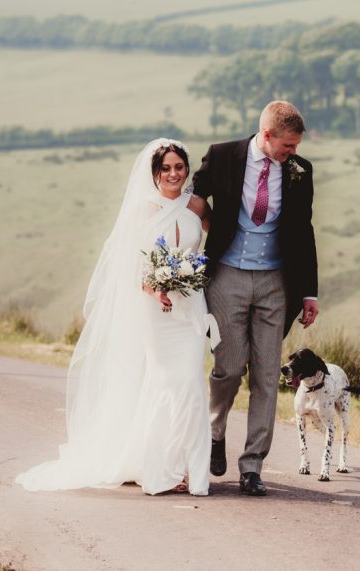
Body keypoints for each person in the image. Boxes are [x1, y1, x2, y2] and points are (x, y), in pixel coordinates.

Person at [16, 139, 215, 496]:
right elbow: (132, 265)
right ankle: (161, 468)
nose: (173, 174)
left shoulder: (198, 205)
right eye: (166, 168)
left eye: (179, 167)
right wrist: (156, 288)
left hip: (191, 307)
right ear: (154, 173)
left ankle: (191, 470)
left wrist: (195, 276)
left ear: (187, 169)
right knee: (164, 383)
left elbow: (217, 245)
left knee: (190, 384)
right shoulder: (143, 209)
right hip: (156, 310)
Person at [192, 100, 319, 497]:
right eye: (288, 146)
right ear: (267, 136)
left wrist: (309, 290)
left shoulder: (301, 171)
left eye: (296, 146)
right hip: (226, 276)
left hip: (275, 282)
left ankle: (252, 466)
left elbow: (304, 229)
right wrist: (209, 229)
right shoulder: (222, 156)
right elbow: (192, 196)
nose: (293, 153)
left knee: (266, 375)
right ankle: (215, 432)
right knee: (228, 367)